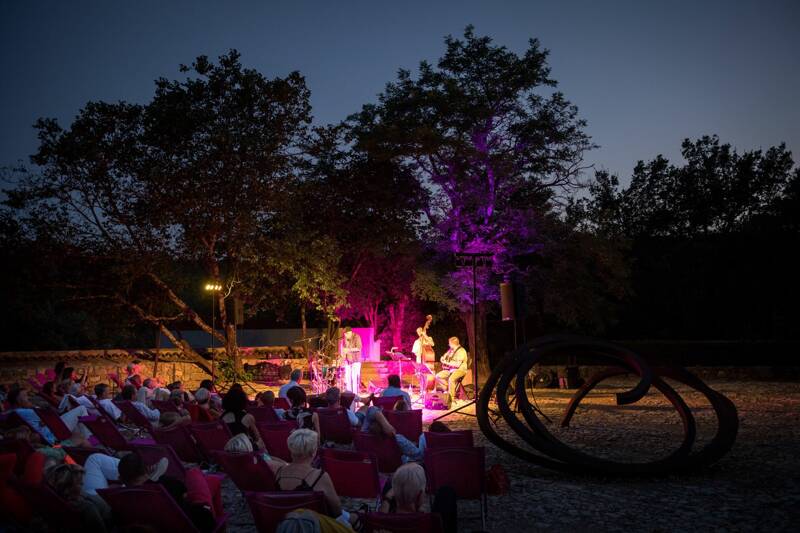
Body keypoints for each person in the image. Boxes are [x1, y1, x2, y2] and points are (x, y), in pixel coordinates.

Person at [268, 429, 357, 528]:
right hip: (313, 526)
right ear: (313, 453)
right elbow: (337, 510)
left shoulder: (278, 472)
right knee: (354, 518)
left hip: (286, 524)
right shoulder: (319, 476)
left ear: (291, 449)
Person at [117, 452, 215, 533]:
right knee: (195, 473)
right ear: (146, 469)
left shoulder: (119, 500)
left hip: (157, 526)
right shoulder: (167, 484)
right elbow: (186, 497)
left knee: (209, 481)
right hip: (194, 524)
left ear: (121, 479)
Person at [379, 462, 458, 533]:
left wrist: (387, 498)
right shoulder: (432, 522)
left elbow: (381, 516)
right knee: (446, 491)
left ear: (393, 493)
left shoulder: (377, 521)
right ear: (420, 495)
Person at [7, 388, 90, 444]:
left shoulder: (15, 412)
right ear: (18, 400)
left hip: (52, 427)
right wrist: (32, 406)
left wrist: (42, 420)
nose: (28, 398)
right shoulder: (25, 412)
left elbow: (43, 420)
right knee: (82, 409)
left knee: (78, 423)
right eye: (25, 396)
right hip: (54, 431)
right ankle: (91, 439)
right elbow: (50, 414)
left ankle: (88, 440)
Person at [45, 462, 111, 531]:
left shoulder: (55, 497)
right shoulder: (87, 507)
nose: (83, 483)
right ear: (68, 488)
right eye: (79, 483)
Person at [220, 385, 266, 450]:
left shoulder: (222, 417)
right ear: (243, 401)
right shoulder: (248, 417)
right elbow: (257, 437)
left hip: (228, 449)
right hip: (246, 450)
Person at [436, 337, 468, 403]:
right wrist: (443, 358)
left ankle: (451, 397)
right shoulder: (451, 350)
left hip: (460, 370)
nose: (449, 345)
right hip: (450, 369)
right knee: (438, 376)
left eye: (449, 344)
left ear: (453, 344)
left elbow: (457, 365)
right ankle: (447, 389)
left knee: (451, 379)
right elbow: (445, 356)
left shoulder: (461, 351)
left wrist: (446, 362)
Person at [340, 327, 362, 395]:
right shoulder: (344, 340)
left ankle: (355, 395)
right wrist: (342, 359)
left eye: (347, 334)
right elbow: (343, 350)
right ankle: (349, 395)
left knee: (354, 379)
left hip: (356, 361)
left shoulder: (356, 337)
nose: (345, 336)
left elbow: (359, 348)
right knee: (348, 379)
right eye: (345, 334)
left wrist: (349, 349)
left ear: (350, 332)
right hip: (347, 361)